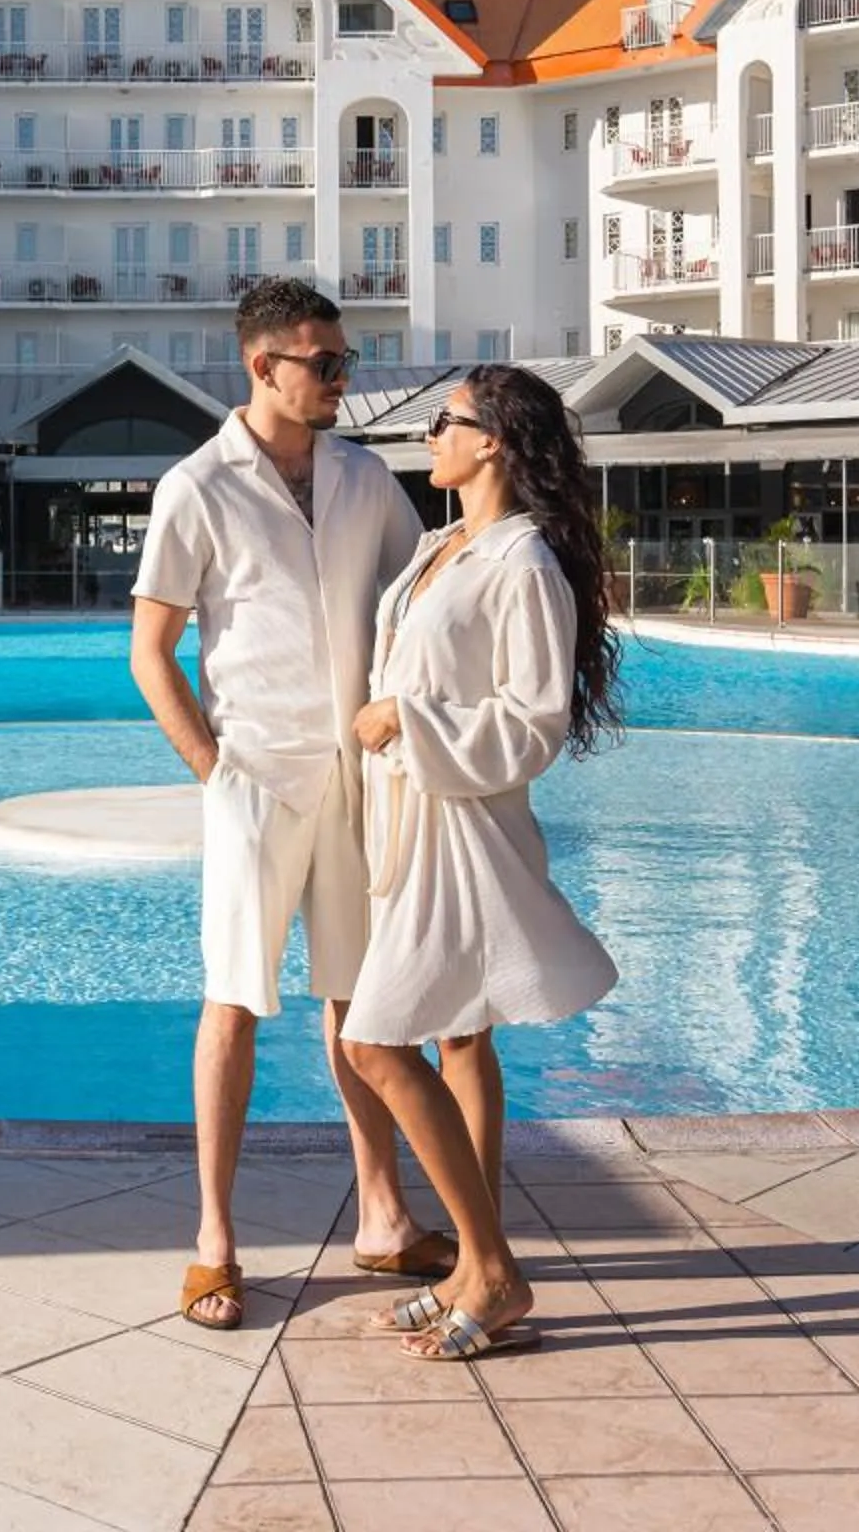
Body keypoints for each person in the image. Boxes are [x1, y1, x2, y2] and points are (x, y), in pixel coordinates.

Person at [132, 277, 445, 1330]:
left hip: (360, 779)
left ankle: (384, 1217)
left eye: (346, 362)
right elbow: (150, 650)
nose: (345, 382)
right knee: (232, 1003)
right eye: (327, 364)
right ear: (263, 365)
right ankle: (214, 1239)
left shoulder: (366, 477)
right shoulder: (196, 486)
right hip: (255, 781)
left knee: (363, 1003)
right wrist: (211, 767)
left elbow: (422, 601)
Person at [342, 363, 622, 1361]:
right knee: (458, 1036)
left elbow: (534, 720)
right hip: (410, 818)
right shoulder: (439, 544)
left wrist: (405, 718)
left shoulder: (522, 561)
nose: (429, 437)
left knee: (375, 1047)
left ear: (492, 439)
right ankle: (469, 1263)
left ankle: (496, 1268)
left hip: (460, 832)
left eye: (441, 421)